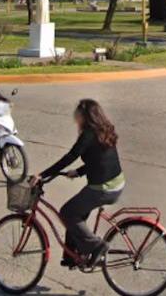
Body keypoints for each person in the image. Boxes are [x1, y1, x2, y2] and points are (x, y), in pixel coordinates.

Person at [31, 99, 124, 268]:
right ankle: (72, 256)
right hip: (115, 184)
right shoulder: (103, 130)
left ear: (85, 116)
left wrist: (42, 175)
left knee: (67, 212)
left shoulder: (88, 134)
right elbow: (99, 160)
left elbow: (70, 157)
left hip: (103, 189)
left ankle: (97, 245)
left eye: (78, 114)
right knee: (76, 214)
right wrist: (79, 172)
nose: (75, 118)